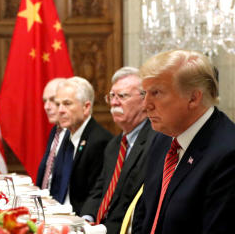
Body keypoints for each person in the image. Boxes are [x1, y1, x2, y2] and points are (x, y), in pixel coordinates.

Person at [133, 50, 235, 234]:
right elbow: (145, 212)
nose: (145, 104)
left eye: (156, 93)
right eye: (144, 93)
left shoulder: (228, 154)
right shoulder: (162, 138)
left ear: (193, 98)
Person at [80, 67, 155, 234]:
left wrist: (102, 230)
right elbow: (99, 190)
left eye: (122, 96)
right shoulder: (114, 145)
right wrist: (86, 219)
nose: (114, 102)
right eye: (112, 96)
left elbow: (134, 204)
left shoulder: (155, 142)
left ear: (144, 100)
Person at [50, 76, 112, 215]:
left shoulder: (99, 140)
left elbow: (95, 194)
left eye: (67, 104)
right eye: (58, 104)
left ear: (86, 107)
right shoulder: (66, 135)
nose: (60, 110)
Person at [36, 77, 68, 189]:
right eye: (45, 101)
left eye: (52, 100)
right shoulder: (55, 131)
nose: (46, 107)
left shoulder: (74, 134)